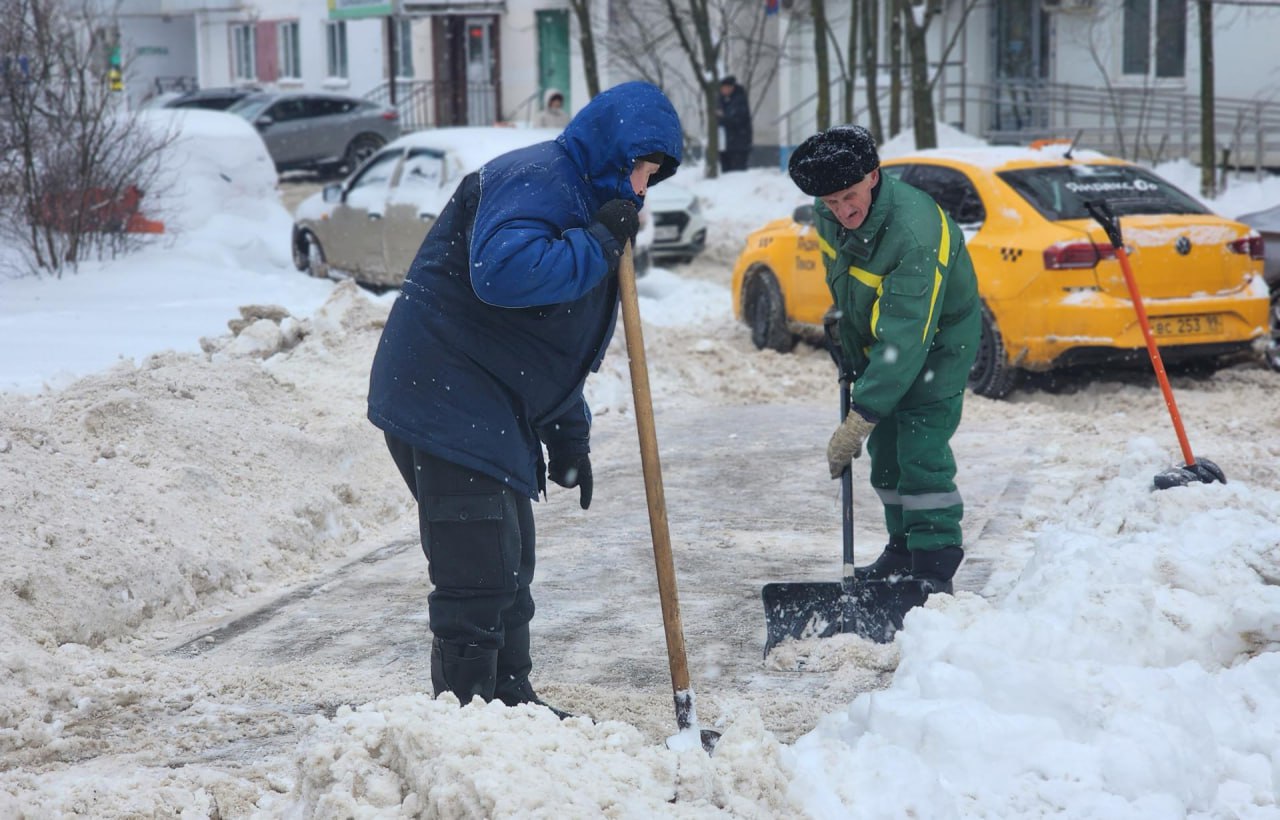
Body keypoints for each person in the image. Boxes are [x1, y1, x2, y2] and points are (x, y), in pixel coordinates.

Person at [367, 81, 683, 717]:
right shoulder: (536, 178)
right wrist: (595, 243)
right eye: (641, 171)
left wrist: (569, 432)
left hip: (486, 399)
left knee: (511, 569)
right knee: (478, 571)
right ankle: (465, 718)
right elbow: (503, 275)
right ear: (613, 156)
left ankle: (509, 701)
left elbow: (542, 343)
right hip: (443, 395)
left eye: (652, 177)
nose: (644, 191)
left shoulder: (586, 199)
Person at [787, 124, 981, 596]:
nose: (842, 211)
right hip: (888, 340)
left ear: (874, 175)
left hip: (936, 343)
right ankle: (901, 550)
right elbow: (851, 277)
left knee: (920, 448)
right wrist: (849, 333)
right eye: (832, 202)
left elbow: (907, 336)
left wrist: (861, 414)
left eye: (849, 196)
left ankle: (934, 560)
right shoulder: (829, 213)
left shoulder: (914, 234)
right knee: (887, 456)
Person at [716, 76, 752, 172]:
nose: (723, 90)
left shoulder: (739, 99)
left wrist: (722, 117)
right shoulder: (721, 99)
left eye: (725, 88)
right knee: (726, 172)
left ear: (731, 87)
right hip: (724, 144)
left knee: (737, 174)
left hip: (738, 145)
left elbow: (738, 120)